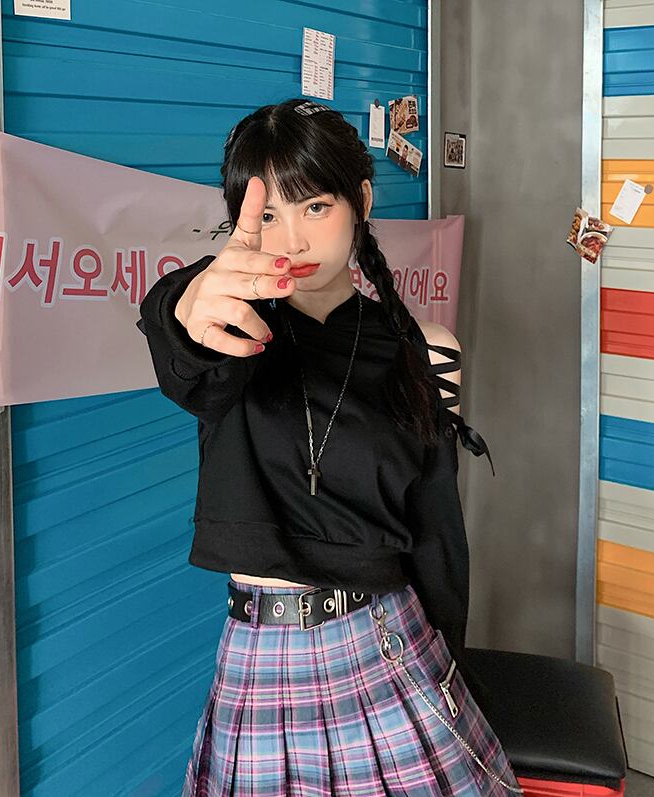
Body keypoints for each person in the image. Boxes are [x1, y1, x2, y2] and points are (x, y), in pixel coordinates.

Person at [136, 98, 521, 796]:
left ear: (361, 202)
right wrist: (184, 305)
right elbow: (187, 348)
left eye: (315, 206)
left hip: (390, 645)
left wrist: (454, 668)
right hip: (261, 658)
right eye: (268, 216)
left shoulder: (426, 351)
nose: (292, 239)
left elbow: (437, 530)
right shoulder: (231, 333)